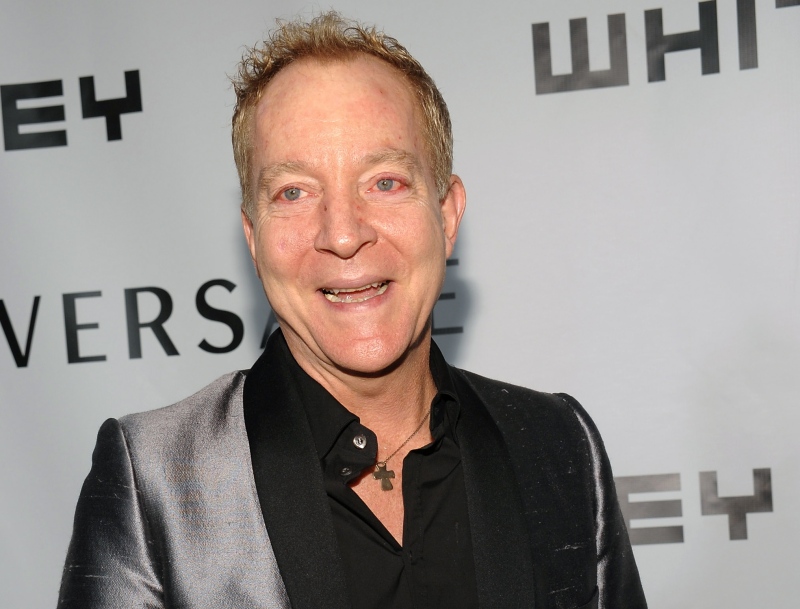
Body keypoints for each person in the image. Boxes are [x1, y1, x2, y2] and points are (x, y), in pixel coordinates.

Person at [58, 12, 646, 609]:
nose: (342, 234)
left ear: (446, 214)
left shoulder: (556, 444)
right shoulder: (156, 480)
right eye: (293, 192)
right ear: (254, 237)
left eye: (384, 182)